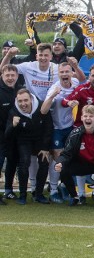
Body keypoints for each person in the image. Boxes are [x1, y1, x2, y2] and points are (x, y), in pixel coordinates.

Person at [54, 105, 94, 207]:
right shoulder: (75, 134)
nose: (88, 118)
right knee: (63, 169)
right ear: (81, 118)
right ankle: (74, 197)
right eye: (86, 116)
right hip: (81, 164)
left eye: (91, 116)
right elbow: (66, 154)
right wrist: (59, 162)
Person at [40, 62, 81, 203]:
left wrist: (76, 66)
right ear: (58, 74)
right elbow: (43, 110)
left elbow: (83, 80)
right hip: (57, 128)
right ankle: (53, 190)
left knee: (70, 157)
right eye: (61, 72)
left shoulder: (75, 82)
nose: (64, 74)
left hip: (71, 126)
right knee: (58, 157)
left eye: (67, 72)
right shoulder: (54, 88)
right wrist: (52, 96)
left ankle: (64, 186)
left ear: (71, 73)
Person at [4, 88, 53, 204]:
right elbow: (7, 134)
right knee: (24, 162)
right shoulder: (13, 111)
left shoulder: (41, 106)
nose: (23, 104)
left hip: (40, 139)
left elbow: (49, 127)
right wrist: (13, 125)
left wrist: (45, 147)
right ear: (17, 100)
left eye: (25, 100)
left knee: (44, 161)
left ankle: (39, 194)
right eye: (20, 101)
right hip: (24, 140)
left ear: (31, 99)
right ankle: (23, 195)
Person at [0, 64, 21, 203]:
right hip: (1, 133)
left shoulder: (20, 91)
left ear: (17, 76)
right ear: (2, 75)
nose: (10, 78)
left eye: (12, 75)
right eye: (7, 75)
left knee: (13, 161)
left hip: (15, 134)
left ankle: (8, 190)